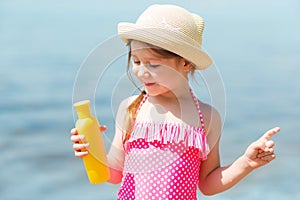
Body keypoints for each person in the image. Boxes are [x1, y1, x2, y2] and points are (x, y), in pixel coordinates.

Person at [70, 4, 280, 199]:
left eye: (153, 64)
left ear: (186, 63)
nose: (141, 72)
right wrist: (93, 152)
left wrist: (246, 163)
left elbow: (207, 183)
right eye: (136, 61)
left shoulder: (207, 117)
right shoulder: (130, 109)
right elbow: (115, 173)